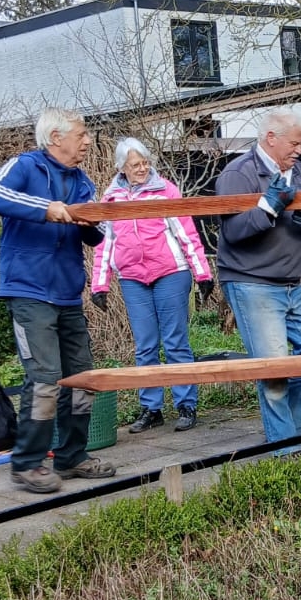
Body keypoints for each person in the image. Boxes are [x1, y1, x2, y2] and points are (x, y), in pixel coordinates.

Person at [0, 107, 117, 493]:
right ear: (56, 138)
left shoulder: (83, 182)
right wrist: (45, 209)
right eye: (81, 134)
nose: (87, 140)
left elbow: (96, 236)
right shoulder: (25, 166)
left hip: (68, 294)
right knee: (44, 379)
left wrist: (93, 224)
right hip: (28, 292)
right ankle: (26, 464)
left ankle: (73, 456)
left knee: (83, 379)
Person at [215, 110, 301, 456]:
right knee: (275, 369)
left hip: (292, 282)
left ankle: (287, 436)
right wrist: (267, 208)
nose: (300, 149)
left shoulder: (299, 171)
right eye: (294, 143)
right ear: (271, 138)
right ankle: (285, 451)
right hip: (251, 282)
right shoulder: (238, 173)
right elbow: (232, 232)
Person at [90, 138, 214, 434]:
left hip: (171, 272)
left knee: (175, 342)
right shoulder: (111, 199)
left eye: (145, 162)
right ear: (122, 167)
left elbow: (187, 234)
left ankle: (186, 404)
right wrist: (99, 284)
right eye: (135, 164)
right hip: (133, 278)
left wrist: (203, 274)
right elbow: (105, 244)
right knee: (145, 345)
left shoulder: (165, 190)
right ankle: (151, 408)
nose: (142, 168)